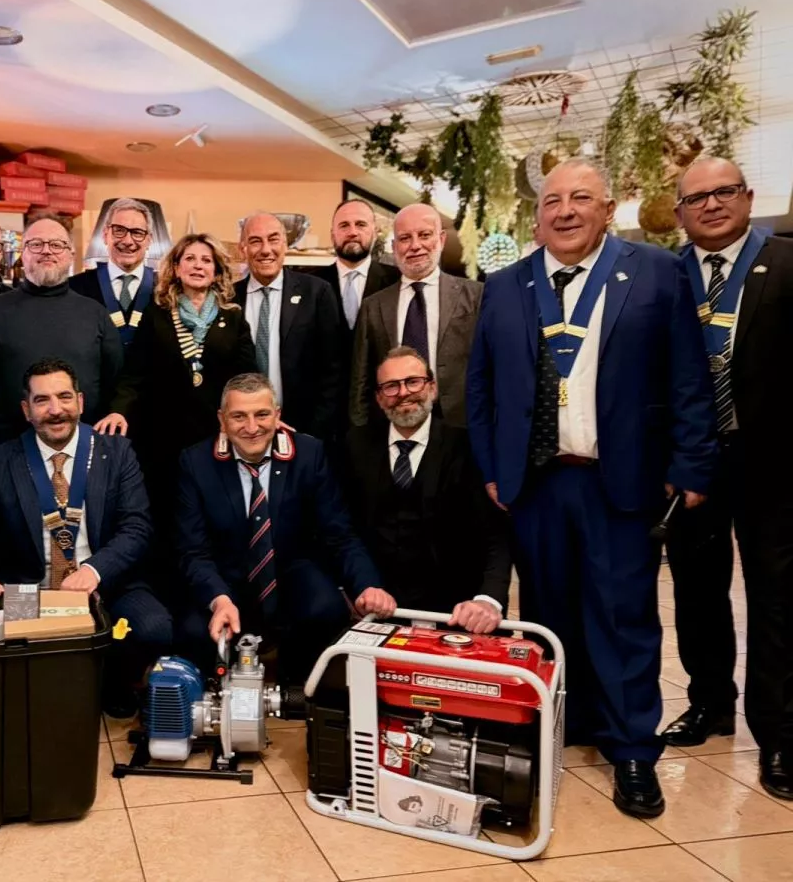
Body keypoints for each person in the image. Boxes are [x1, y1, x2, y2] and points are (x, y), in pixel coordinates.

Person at [466, 158, 717, 819]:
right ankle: (565, 723)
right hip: (537, 484)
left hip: (621, 480)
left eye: (581, 197)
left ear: (608, 209)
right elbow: (482, 386)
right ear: (537, 216)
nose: (566, 210)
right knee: (548, 614)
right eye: (553, 200)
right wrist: (492, 467)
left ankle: (631, 747)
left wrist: (692, 465)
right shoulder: (507, 284)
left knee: (623, 615)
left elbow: (688, 376)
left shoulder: (657, 272)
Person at [664, 157, 793, 800]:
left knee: (777, 597)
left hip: (773, 463)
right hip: (691, 461)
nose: (711, 205)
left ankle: (780, 735)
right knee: (696, 589)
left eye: (723, 192)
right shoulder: (665, 274)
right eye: (696, 198)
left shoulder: (786, 262)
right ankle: (709, 703)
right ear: (679, 212)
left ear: (747, 196)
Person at [0, 359, 172, 717]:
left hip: (106, 584)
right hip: (31, 588)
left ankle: (112, 683)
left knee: (154, 629)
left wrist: (94, 570)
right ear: (26, 410)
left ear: (81, 402)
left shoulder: (116, 453)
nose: (55, 410)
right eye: (42, 400)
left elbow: (136, 527)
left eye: (64, 397)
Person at [174, 373, 396, 686]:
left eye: (262, 414)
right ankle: (215, 691)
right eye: (239, 416)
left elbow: (339, 533)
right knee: (192, 629)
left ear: (277, 416)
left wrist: (367, 585)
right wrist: (218, 599)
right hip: (225, 575)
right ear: (222, 420)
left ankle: (298, 684)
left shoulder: (309, 454)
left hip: (290, 570)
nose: (252, 427)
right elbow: (193, 551)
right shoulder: (196, 462)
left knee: (326, 609)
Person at [96, 234, 256, 577]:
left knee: (212, 515)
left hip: (215, 435)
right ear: (176, 268)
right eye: (190, 259)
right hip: (164, 437)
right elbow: (134, 374)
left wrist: (261, 415)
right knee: (167, 515)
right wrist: (118, 409)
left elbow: (247, 378)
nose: (198, 266)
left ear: (217, 271)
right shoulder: (157, 315)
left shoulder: (232, 317)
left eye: (206, 260)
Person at [344, 347, 509, 630]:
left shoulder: (468, 447)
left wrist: (488, 600)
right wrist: (361, 587)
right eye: (391, 386)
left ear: (432, 388)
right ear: (379, 398)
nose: (403, 393)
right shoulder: (355, 447)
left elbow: (497, 533)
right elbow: (344, 530)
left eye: (413, 382)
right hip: (381, 609)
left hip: (457, 612)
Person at [0, 216, 123, 446]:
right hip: (5, 447)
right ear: (23, 253)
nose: (46, 251)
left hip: (82, 447)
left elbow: (116, 379)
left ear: (71, 254)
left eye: (56, 245)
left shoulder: (95, 313)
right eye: (36, 244)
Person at [350, 203, 482, 428]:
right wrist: (360, 434)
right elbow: (360, 380)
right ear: (394, 246)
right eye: (405, 238)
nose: (415, 245)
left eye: (424, 235)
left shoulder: (476, 296)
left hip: (461, 428)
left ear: (441, 239)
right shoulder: (374, 306)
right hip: (394, 427)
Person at [233, 213, 344, 440]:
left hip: (304, 431)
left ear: (285, 245)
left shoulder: (317, 293)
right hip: (246, 431)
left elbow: (333, 369)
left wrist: (315, 433)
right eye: (255, 241)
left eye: (273, 239)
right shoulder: (229, 299)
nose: (266, 250)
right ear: (242, 249)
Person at [69, 198, 156, 350]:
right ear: (105, 235)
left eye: (137, 233)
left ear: (149, 240)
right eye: (119, 230)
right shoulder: (74, 288)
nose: (128, 241)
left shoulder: (166, 289)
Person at [314, 199, 399, 336]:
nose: (352, 232)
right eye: (344, 225)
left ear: (375, 234)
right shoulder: (312, 284)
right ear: (332, 235)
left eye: (360, 225)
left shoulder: (397, 281)